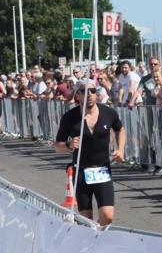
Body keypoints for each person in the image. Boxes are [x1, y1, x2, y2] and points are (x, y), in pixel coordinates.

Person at [54, 84, 126, 226]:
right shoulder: (70, 118)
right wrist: (69, 145)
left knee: (107, 216)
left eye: (93, 91)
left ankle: (96, 234)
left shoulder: (108, 113)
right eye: (84, 91)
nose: (90, 94)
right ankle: (91, 240)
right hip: (81, 171)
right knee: (86, 220)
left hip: (102, 169)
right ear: (78, 95)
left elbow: (120, 130)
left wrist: (121, 149)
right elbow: (57, 146)